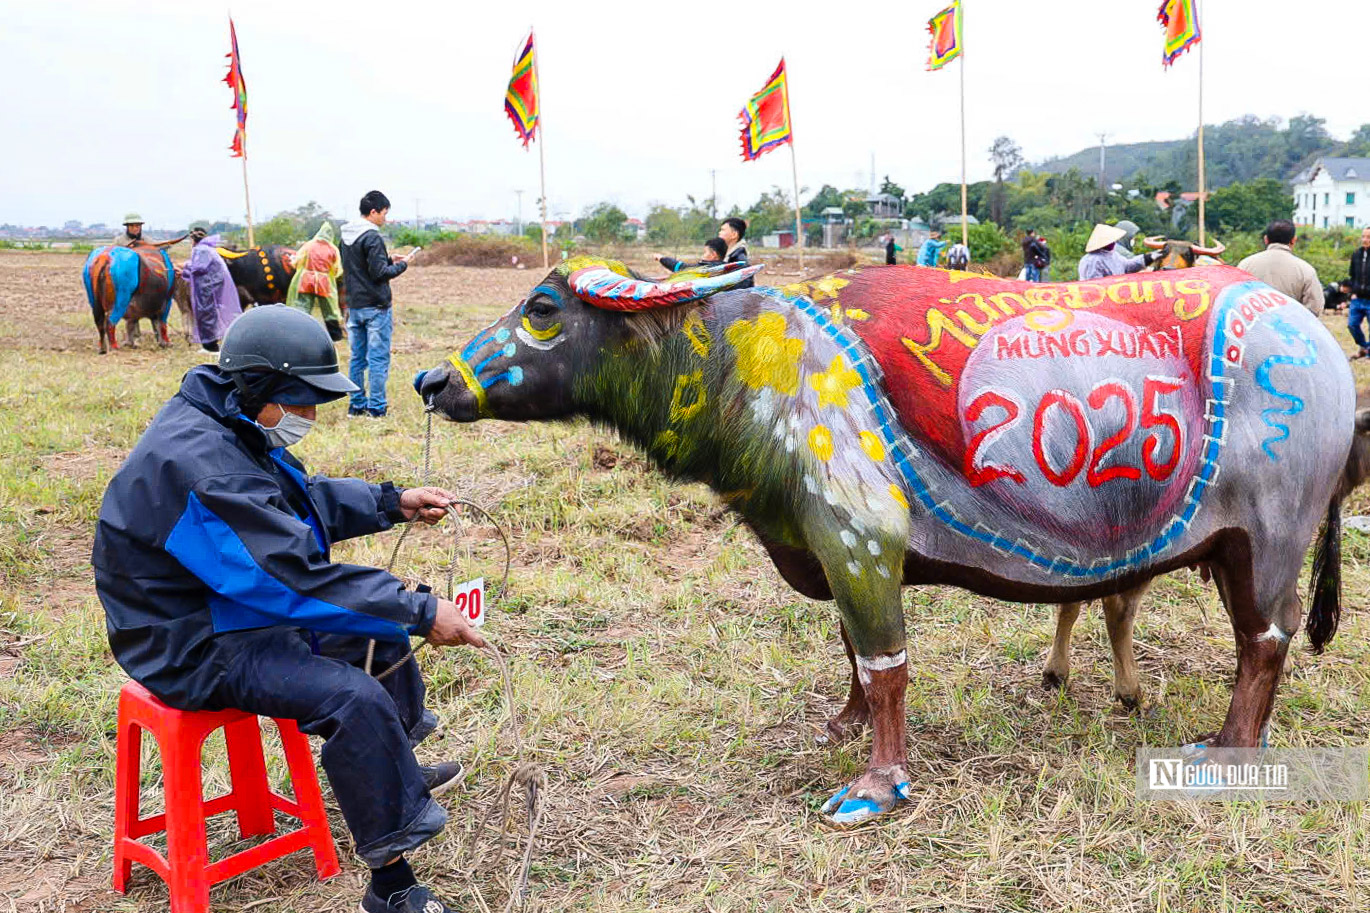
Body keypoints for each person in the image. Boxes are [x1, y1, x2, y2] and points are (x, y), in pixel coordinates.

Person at [93, 306, 482, 913]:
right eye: (301, 401)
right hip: (189, 641)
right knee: (353, 696)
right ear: (263, 388)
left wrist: (390, 502)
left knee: (376, 627)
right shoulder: (206, 465)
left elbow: (292, 504)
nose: (310, 415)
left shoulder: (229, 421)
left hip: (224, 607)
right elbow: (289, 578)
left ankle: (393, 767)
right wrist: (418, 609)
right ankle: (392, 886)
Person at [341, 191, 415, 418]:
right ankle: (376, 408)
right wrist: (403, 265)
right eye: (384, 213)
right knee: (378, 359)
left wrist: (388, 257)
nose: (385, 218)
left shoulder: (346, 235)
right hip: (376, 306)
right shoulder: (372, 237)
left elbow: (359, 266)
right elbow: (379, 273)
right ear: (373, 212)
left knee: (357, 358)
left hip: (354, 305)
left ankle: (356, 406)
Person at [1235, 220, 1324, 316]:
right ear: (1293, 240)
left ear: (1266, 239)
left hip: (1253, 327)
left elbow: (1234, 299)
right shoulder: (1305, 270)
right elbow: (1315, 308)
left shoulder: (1245, 265)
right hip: (1289, 328)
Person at [181, 224, 242, 353]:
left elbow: (199, 268)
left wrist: (184, 266)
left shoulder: (201, 249)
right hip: (211, 285)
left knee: (206, 313)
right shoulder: (208, 248)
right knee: (210, 313)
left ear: (192, 239)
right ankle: (210, 344)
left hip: (207, 287)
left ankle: (210, 346)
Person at [287, 222, 346, 341]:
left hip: (306, 279)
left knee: (302, 306)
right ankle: (335, 335)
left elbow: (297, 260)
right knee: (330, 309)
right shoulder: (333, 249)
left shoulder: (308, 245)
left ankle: (299, 331)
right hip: (324, 282)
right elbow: (337, 269)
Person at [1078, 223, 1161, 280]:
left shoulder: (1113, 255)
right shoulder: (1093, 261)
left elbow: (1128, 266)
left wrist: (1151, 257)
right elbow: (1094, 285)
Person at [1348, 227, 1370, 358]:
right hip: (1357, 298)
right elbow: (1352, 275)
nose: (1365, 240)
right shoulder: (1356, 254)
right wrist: (1353, 292)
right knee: (1352, 325)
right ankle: (1365, 346)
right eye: (1363, 236)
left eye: (1368, 237)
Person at [718, 217, 754, 289]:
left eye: (723, 230)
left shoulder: (739, 260)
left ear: (734, 235)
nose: (719, 233)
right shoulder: (729, 256)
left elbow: (741, 289)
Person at [656, 237, 727, 273]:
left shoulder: (705, 269)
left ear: (713, 254)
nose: (703, 256)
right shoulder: (727, 268)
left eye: (705, 252)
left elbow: (681, 267)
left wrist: (661, 258)